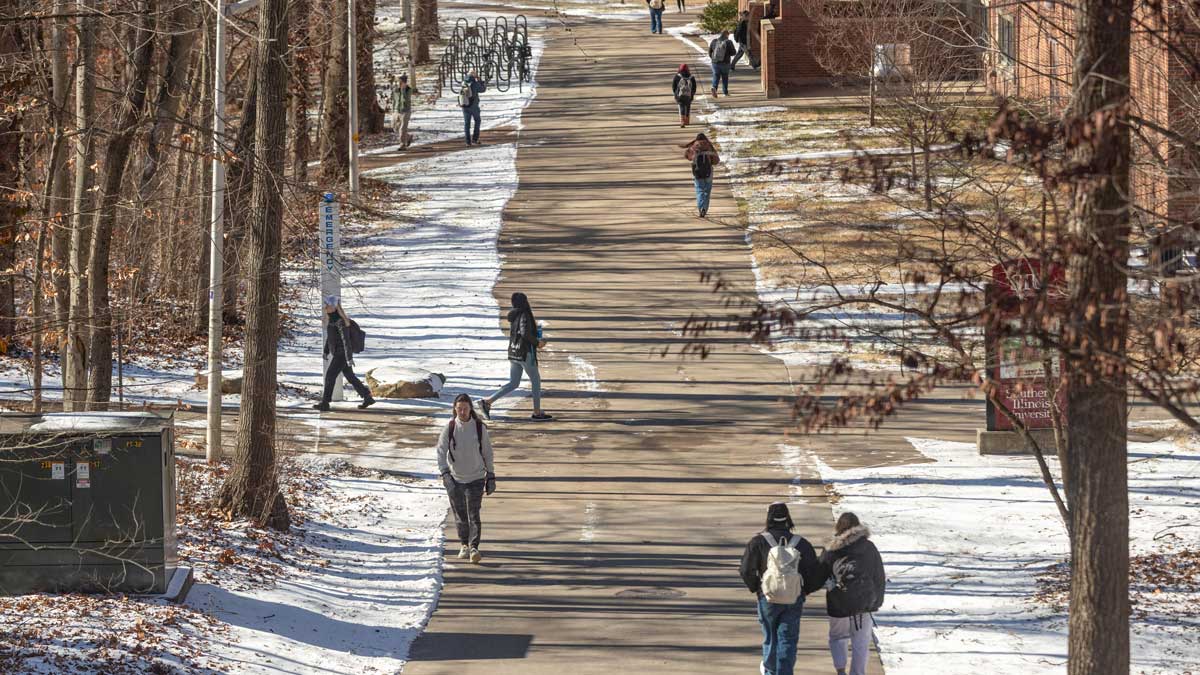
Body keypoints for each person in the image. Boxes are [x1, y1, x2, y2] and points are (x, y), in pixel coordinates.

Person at [740, 502, 824, 675]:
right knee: (788, 639)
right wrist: (804, 590)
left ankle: (770, 671)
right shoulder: (802, 544)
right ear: (788, 518)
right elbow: (815, 573)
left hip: (768, 597)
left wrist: (757, 588)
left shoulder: (758, 542)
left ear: (769, 518)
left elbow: (746, 570)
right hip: (793, 598)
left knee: (770, 637)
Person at [820, 512, 886, 675]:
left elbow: (819, 572)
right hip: (864, 603)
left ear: (838, 528)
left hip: (837, 602)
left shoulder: (831, 549)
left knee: (838, 637)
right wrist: (876, 601)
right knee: (861, 643)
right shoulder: (869, 548)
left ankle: (841, 670)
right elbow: (879, 576)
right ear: (858, 527)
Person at [437, 393, 496, 564]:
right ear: (455, 409)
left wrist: (490, 475)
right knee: (460, 515)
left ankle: (474, 547)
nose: (462, 412)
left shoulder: (479, 427)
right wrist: (445, 473)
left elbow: (487, 453)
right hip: (455, 479)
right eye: (459, 409)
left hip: (476, 477)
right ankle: (464, 544)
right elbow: (441, 452)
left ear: (470, 408)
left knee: (473, 514)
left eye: (465, 408)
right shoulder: (449, 428)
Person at [479, 293, 553, 421]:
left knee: (514, 383)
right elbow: (524, 333)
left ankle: (488, 402)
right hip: (525, 353)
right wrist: (537, 342)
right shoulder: (524, 314)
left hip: (514, 352)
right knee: (535, 380)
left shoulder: (513, 315)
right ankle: (536, 412)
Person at [315, 300, 375, 411]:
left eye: (327, 305)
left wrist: (349, 358)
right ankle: (367, 397)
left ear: (333, 307)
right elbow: (330, 338)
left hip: (341, 355)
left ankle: (325, 403)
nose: (325, 307)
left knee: (330, 376)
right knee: (350, 377)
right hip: (338, 353)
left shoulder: (341, 322)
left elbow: (346, 340)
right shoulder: (332, 321)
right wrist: (326, 351)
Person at [682, 133, 720, 217]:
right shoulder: (709, 146)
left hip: (697, 172)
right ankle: (705, 209)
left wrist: (694, 157)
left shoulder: (694, 146)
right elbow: (716, 160)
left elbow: (687, 156)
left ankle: (700, 208)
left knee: (699, 190)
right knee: (707, 191)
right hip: (708, 172)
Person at [459, 70, 487, 146]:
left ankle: (468, 142)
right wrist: (480, 81)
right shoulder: (475, 83)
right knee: (477, 120)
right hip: (474, 106)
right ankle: (475, 139)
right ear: (474, 76)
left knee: (467, 124)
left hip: (465, 105)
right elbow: (483, 89)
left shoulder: (463, 82)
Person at [708, 30, 735, 97]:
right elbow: (733, 53)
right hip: (725, 63)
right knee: (725, 77)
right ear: (727, 35)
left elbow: (710, 51)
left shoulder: (714, 41)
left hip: (715, 63)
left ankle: (714, 88)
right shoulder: (729, 42)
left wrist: (713, 59)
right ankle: (725, 92)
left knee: (716, 76)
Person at [391, 74, 414, 149]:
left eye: (400, 82)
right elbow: (394, 100)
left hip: (405, 111)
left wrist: (403, 90)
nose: (399, 83)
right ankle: (408, 137)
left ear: (404, 82)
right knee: (395, 127)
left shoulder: (408, 90)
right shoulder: (395, 90)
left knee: (402, 129)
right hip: (396, 110)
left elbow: (405, 100)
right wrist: (393, 109)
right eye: (398, 82)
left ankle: (402, 144)